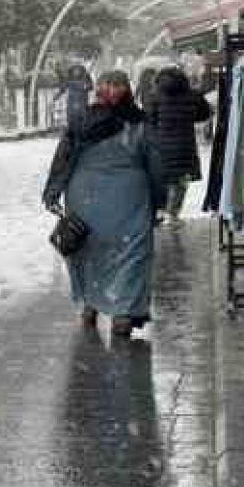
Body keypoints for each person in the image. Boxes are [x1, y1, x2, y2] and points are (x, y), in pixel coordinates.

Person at [43, 70, 165, 337]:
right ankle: (123, 311)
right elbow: (155, 166)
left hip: (83, 195)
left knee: (88, 249)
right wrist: (159, 201)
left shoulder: (80, 121)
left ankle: (89, 304)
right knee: (131, 252)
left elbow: (63, 159)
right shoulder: (140, 123)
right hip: (129, 197)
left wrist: (52, 193)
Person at [148, 66, 213, 225]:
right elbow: (204, 113)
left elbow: (150, 119)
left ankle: (160, 212)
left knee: (163, 179)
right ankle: (173, 214)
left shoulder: (156, 96)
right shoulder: (193, 95)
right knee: (181, 182)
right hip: (185, 145)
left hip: (162, 145)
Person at [63, 65, 93, 129]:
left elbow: (91, 87)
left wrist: (86, 86)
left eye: (78, 70)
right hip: (72, 101)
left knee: (83, 117)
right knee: (71, 117)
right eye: (75, 70)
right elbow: (63, 87)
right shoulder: (68, 78)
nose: (76, 72)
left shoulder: (86, 76)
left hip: (82, 101)